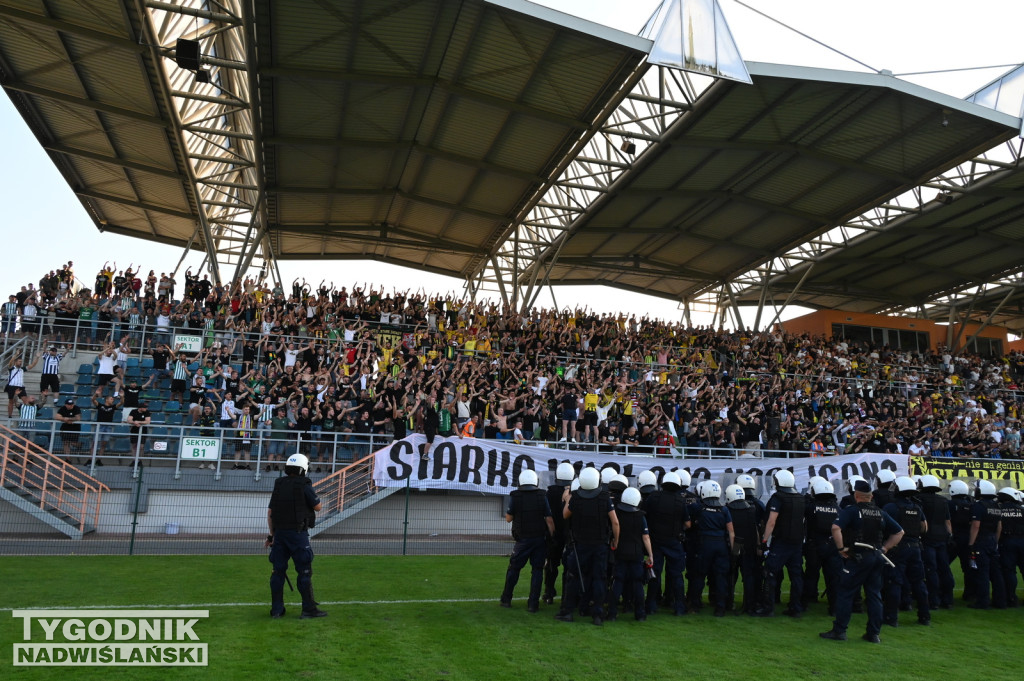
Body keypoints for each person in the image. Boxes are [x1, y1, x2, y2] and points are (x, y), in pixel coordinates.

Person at [819, 479, 904, 644]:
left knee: (845, 593)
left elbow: (836, 528)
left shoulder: (852, 511)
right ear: (871, 496)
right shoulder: (880, 512)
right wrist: (885, 548)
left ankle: (840, 631)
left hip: (858, 557)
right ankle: (873, 634)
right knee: (874, 595)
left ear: (856, 496)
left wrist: (841, 549)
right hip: (877, 557)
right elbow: (899, 532)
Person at [265, 453, 327, 619]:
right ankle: (308, 609)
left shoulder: (279, 484)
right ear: (303, 468)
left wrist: (271, 536)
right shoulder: (304, 484)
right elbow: (318, 507)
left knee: (277, 572)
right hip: (298, 535)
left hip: (280, 535)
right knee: (304, 572)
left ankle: (276, 610)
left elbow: (270, 512)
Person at [555, 467, 619, 626]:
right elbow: (615, 522)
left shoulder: (576, 497)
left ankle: (568, 612)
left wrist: (568, 498)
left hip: (580, 546)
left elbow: (565, 515)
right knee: (599, 579)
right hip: (600, 545)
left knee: (574, 578)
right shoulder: (604, 498)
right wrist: (615, 540)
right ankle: (597, 614)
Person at [500, 469, 555, 612]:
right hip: (539, 539)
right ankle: (533, 604)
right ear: (535, 482)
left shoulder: (516, 496)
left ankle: (506, 599)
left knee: (514, 568)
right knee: (537, 570)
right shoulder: (542, 495)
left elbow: (508, 518)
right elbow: (549, 519)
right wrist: (552, 536)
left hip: (523, 540)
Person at [882, 476, 931, 626]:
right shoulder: (917, 507)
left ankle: (891, 618)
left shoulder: (891, 507)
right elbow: (924, 527)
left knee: (895, 582)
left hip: (897, 548)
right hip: (915, 547)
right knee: (918, 583)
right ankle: (924, 617)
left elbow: (883, 525)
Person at [757, 469, 805, 618]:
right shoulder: (800, 498)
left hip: (782, 541)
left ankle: (768, 607)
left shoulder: (778, 498)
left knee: (770, 573)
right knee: (796, 575)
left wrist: (764, 540)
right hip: (797, 542)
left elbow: (771, 521)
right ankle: (796, 607)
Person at [642, 471, 690, 616]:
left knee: (654, 574)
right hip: (673, 542)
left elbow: (644, 515)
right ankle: (679, 607)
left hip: (656, 541)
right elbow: (688, 524)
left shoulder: (653, 497)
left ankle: (650, 605)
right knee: (676, 575)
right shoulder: (680, 501)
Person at [607, 486, 653, 622]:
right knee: (637, 583)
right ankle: (640, 614)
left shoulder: (617, 515)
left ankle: (612, 613)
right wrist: (650, 554)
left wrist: (615, 542)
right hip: (636, 554)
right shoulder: (641, 517)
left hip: (620, 552)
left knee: (618, 582)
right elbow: (646, 537)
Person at [689, 480, 734, 617]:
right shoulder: (724, 509)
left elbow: (688, 522)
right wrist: (734, 551)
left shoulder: (698, 508)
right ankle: (720, 608)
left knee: (699, 575)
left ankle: (695, 606)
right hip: (721, 545)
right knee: (721, 577)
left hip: (704, 544)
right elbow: (731, 532)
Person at [803, 477, 840, 614]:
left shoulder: (811, 507)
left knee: (811, 575)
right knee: (833, 578)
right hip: (832, 545)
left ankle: (805, 603)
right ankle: (834, 608)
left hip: (814, 545)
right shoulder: (837, 508)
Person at [917, 475, 954, 610]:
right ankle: (948, 599)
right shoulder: (943, 501)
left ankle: (934, 600)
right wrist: (950, 536)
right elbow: (947, 522)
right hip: (942, 537)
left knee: (930, 569)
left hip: (927, 538)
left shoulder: (919, 500)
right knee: (944, 568)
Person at [968, 479, 1006, 610]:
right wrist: (995, 541)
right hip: (991, 541)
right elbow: (999, 527)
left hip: (981, 541)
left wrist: (971, 543)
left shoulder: (978, 506)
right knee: (996, 573)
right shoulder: (996, 506)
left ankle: (982, 602)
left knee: (982, 573)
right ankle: (1000, 601)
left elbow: (976, 526)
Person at [725, 483, 760, 615]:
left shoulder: (728, 510)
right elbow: (755, 528)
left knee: (731, 575)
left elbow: (729, 531)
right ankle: (749, 605)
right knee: (748, 576)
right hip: (749, 546)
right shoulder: (751, 509)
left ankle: (729, 602)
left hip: (735, 546)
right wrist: (757, 545)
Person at [543, 462, 575, 605]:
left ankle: (549, 593)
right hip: (569, 533)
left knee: (551, 564)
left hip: (554, 532)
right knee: (568, 566)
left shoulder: (549, 492)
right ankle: (566, 596)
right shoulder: (574, 492)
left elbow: (547, 515)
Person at [948, 479, 976, 601]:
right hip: (967, 539)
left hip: (953, 538)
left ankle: (943, 592)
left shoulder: (949, 504)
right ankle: (969, 594)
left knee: (943, 565)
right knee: (968, 568)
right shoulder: (971, 504)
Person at [998, 487, 1024, 607]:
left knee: (1009, 572)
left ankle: (1011, 598)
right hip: (1022, 541)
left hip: (1007, 542)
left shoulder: (999, 509)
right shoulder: (1022, 509)